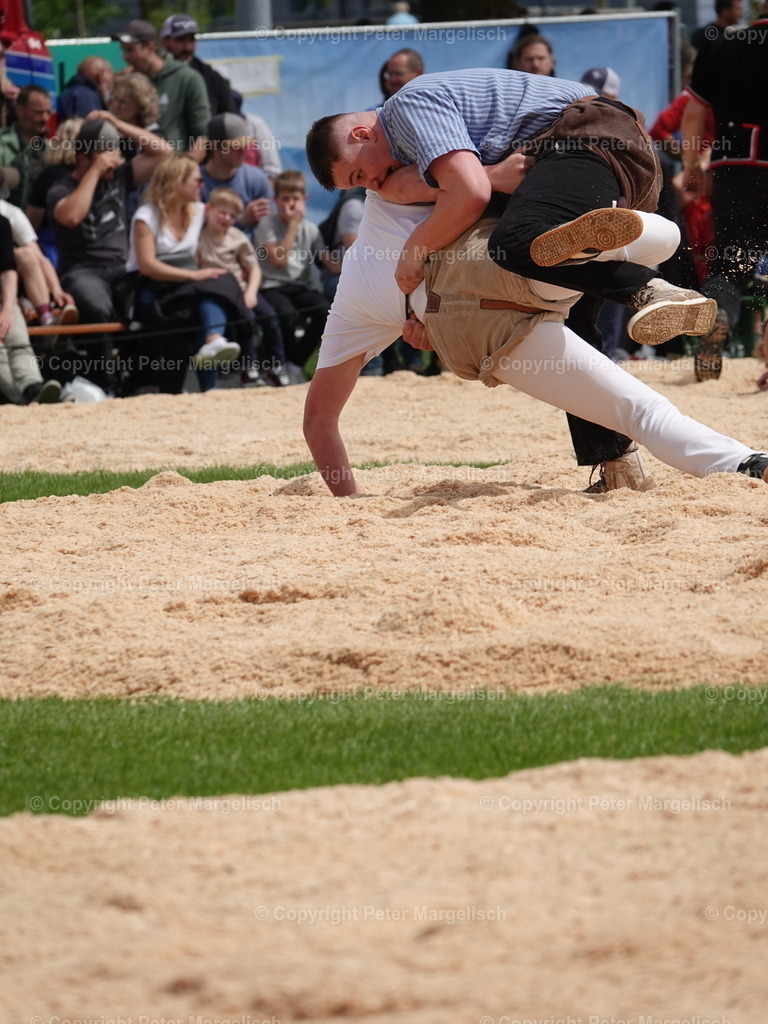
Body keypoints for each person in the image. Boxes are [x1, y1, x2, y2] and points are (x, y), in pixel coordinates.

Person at [303, 192, 768, 497]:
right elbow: (472, 181)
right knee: (663, 237)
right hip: (509, 263)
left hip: (487, 326)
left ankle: (744, 463)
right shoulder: (385, 196)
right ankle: (643, 283)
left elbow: (319, 421)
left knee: (639, 410)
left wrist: (352, 499)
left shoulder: (349, 308)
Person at [306, 68, 717, 349]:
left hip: (589, 138)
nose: (370, 187)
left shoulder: (405, 106)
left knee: (514, 241)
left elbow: (468, 194)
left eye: (360, 175)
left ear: (362, 133)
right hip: (604, 162)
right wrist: (432, 318)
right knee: (569, 327)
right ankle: (615, 462)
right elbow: (470, 190)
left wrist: (415, 249)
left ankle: (651, 286)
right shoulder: (410, 155)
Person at [47, 118, 167, 390]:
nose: (113, 162)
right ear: (82, 158)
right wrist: (96, 170)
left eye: (115, 153)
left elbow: (163, 153)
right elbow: (72, 216)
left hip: (121, 269)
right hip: (81, 271)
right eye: (105, 155)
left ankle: (139, 381)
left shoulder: (121, 176)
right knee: (98, 307)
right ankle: (105, 383)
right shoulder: (60, 188)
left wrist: (116, 123)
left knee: (155, 301)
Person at [681, 8, 768, 381]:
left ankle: (717, 313)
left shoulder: (722, 46)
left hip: (732, 168)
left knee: (732, 261)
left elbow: (692, 116)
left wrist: (690, 169)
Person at [125, 154, 253, 395]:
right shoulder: (146, 216)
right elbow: (147, 266)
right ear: (177, 181)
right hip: (152, 289)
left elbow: (224, 216)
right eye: (197, 180)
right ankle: (213, 363)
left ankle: (213, 344)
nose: (202, 185)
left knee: (220, 282)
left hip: (184, 289)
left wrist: (246, 219)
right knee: (210, 287)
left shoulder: (196, 210)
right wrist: (194, 275)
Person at [197, 186, 289, 386]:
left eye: (232, 215)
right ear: (209, 209)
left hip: (240, 288)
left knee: (270, 316)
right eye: (222, 212)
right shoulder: (199, 236)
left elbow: (254, 268)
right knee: (246, 319)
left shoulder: (237, 237)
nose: (226, 218)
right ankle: (249, 368)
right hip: (215, 289)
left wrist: (251, 292)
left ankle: (277, 365)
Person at [255, 169, 338, 377]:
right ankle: (278, 364)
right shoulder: (268, 225)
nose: (290, 204)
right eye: (285, 199)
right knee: (286, 314)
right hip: (272, 285)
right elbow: (279, 260)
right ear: (275, 200)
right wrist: (293, 225)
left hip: (299, 286)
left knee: (325, 311)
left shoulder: (310, 228)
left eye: (295, 198)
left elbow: (331, 264)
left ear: (305, 199)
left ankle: (294, 362)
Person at [112, 19, 211, 152]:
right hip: (139, 166)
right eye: (124, 51)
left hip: (174, 165)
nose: (125, 57)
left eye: (131, 50)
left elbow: (203, 135)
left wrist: (186, 166)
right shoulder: (131, 81)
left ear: (150, 48)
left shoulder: (187, 78)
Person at [0, 214, 61, 405]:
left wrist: (8, 309)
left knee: (19, 341)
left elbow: (8, 271)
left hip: (3, 301)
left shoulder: (2, 223)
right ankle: (28, 399)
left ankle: (33, 387)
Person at [0, 195, 77, 326]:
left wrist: (57, 290)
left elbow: (38, 256)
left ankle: (47, 319)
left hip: (8, 278)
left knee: (27, 254)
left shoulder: (9, 213)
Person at [199, 112, 272, 242]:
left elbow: (272, 230)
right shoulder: (197, 184)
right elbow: (197, 235)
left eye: (246, 145)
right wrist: (241, 221)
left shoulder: (257, 178)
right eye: (236, 146)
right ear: (216, 146)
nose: (244, 151)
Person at [160, 14, 238, 118]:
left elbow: (230, 117)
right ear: (165, 42)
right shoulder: (156, 75)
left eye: (192, 40)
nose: (187, 47)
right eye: (180, 40)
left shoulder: (212, 78)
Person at [0, 85, 52, 209]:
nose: (45, 118)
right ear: (20, 110)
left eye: (48, 112)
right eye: (38, 112)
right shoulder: (3, 144)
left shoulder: (50, 149)